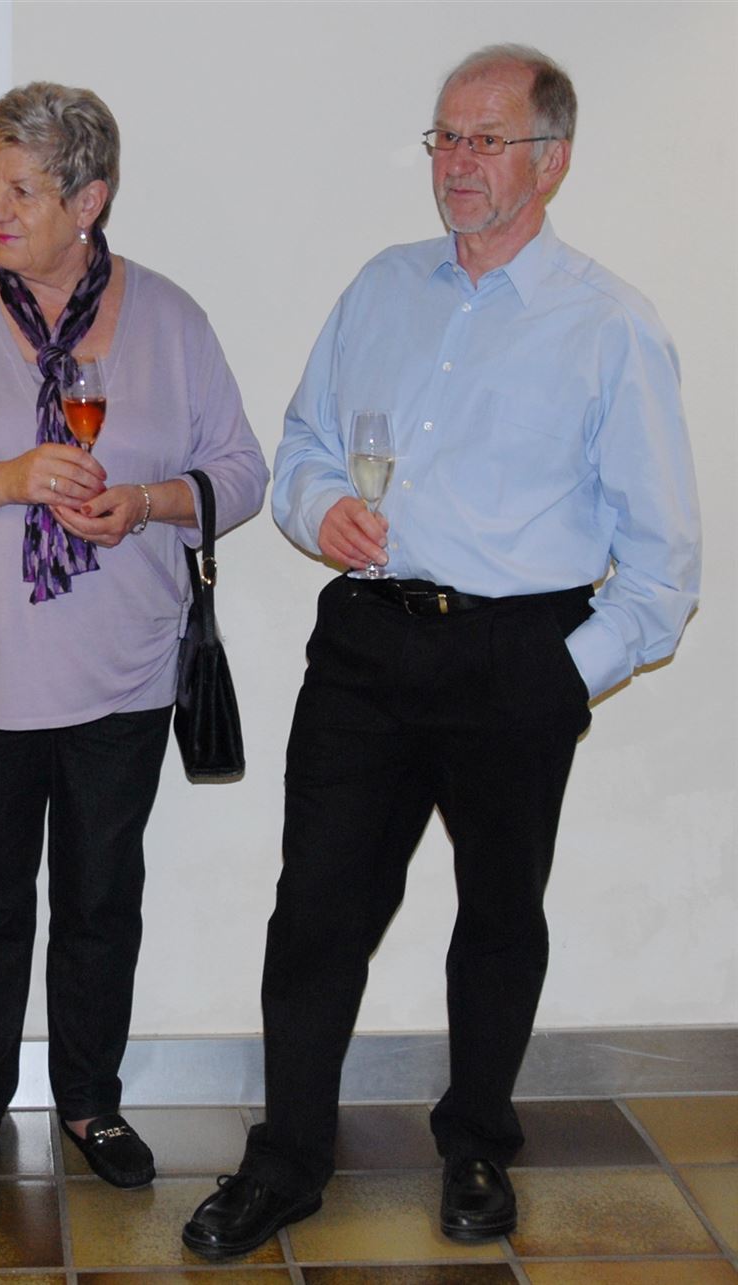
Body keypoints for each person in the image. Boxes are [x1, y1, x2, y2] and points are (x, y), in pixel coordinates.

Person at [182, 45, 701, 1260]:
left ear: (550, 161)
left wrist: (562, 674)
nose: (458, 163)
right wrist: (321, 511)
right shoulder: (381, 287)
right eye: (446, 138)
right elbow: (305, 443)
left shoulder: (609, 325)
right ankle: (287, 1159)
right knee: (316, 910)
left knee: (500, 915)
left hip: (519, 654)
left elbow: (665, 563)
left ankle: (475, 1142)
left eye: (486, 140)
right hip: (368, 643)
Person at [0, 82, 267, 1194]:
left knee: (99, 903)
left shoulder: (171, 319)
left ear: (89, 200)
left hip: (122, 674)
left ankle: (90, 1100)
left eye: (22, 189)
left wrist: (147, 504)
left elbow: (242, 473)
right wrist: (2, 480)